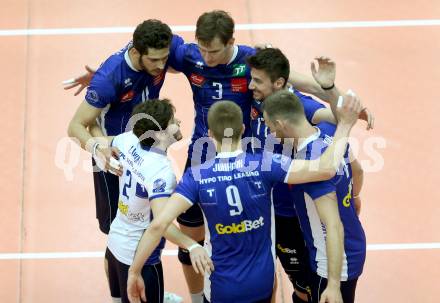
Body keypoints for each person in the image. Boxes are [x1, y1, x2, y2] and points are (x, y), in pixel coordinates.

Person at [126, 95, 361, 303]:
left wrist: (134, 272)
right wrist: (345, 125)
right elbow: (327, 167)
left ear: (209, 135)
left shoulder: (196, 176)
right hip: (261, 283)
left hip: (221, 287)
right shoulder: (265, 164)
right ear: (242, 129)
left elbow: (158, 225)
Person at [66, 19, 185, 302]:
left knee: (147, 227)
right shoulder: (110, 77)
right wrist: (99, 147)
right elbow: (75, 126)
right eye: (154, 60)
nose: (161, 66)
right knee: (116, 234)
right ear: (136, 52)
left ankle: (141, 288)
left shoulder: (165, 48)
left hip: (147, 147)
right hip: (116, 157)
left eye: (164, 59)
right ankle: (120, 296)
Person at [246, 48, 339, 303]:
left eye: (258, 81)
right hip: (259, 206)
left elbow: (341, 115)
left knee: (303, 286)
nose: (250, 84)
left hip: (289, 214)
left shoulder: (299, 105)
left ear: (278, 83)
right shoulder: (256, 95)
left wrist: (328, 88)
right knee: (263, 281)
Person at [263, 91, 366, 303]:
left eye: (269, 125)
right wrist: (353, 195)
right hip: (353, 243)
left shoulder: (310, 164)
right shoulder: (329, 133)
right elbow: (358, 170)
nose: (270, 132)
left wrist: (333, 285)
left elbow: (333, 225)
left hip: (333, 264)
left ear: (281, 123)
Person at [106, 99, 213, 303]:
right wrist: (192, 245)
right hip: (140, 258)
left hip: (114, 246)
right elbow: (161, 225)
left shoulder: (126, 139)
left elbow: (101, 140)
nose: (179, 121)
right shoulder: (161, 172)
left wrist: (95, 146)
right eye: (173, 121)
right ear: (160, 133)